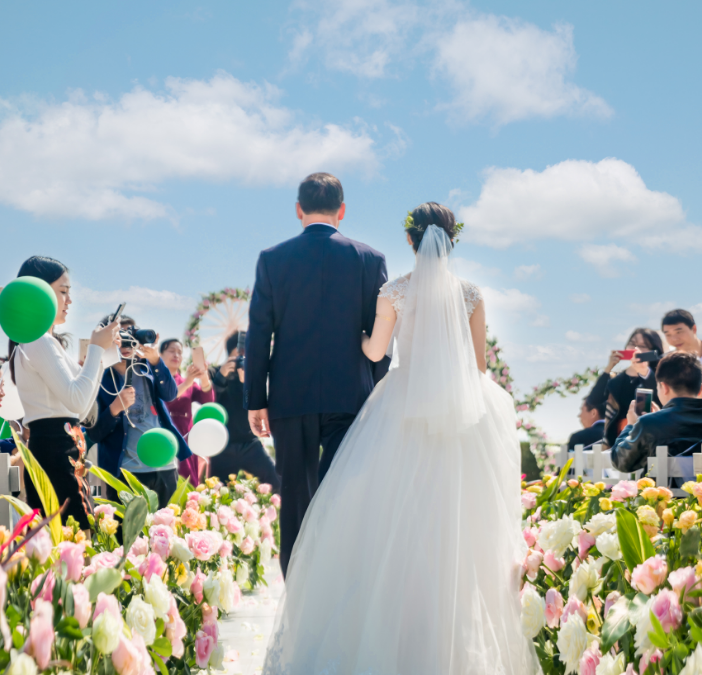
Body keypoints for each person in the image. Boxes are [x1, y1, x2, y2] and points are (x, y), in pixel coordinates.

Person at [263, 206, 538, 675]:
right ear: (453, 242)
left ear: (411, 243)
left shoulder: (395, 292)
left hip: (402, 401)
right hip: (462, 411)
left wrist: (362, 333)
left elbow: (375, 351)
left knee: (388, 520)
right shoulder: (470, 294)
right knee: (454, 524)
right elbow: (478, 367)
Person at [245, 173, 388, 578]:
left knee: (294, 498)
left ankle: (299, 592)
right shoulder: (370, 259)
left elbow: (259, 334)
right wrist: (373, 385)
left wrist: (257, 399)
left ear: (298, 210)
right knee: (346, 494)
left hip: (290, 398)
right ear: (342, 211)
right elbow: (380, 333)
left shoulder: (272, 259)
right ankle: (343, 585)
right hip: (351, 398)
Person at [10, 256, 118, 528]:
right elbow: (78, 401)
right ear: (40, 293)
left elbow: (82, 410)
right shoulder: (37, 339)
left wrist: (100, 356)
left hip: (62, 443)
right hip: (55, 446)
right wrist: (95, 350)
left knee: (69, 537)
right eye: (63, 291)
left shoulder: (43, 341)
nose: (69, 300)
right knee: (74, 536)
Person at [87, 320, 189, 508]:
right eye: (120, 337)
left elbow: (171, 393)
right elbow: (94, 434)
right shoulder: (99, 379)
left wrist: (157, 360)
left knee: (167, 532)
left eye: (130, 336)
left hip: (165, 465)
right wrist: (114, 409)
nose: (126, 343)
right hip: (126, 473)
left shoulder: (148, 368)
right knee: (127, 536)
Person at [611, 351, 702, 473]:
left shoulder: (649, 423)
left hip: (665, 491)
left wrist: (631, 425)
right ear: (701, 389)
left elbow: (621, 463)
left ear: (664, 387)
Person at [209, 333, 280, 490]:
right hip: (221, 445)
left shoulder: (252, 375)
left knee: (275, 479)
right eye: (241, 351)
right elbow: (209, 399)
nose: (244, 355)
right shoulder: (214, 372)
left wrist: (245, 382)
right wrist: (222, 376)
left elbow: (258, 404)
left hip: (249, 443)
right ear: (231, 352)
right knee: (214, 490)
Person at [159, 337, 214, 485]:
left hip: (185, 437)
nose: (176, 355)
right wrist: (188, 382)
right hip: (162, 436)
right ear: (160, 355)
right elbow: (166, 400)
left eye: (179, 352)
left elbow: (207, 401)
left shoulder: (187, 381)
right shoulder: (155, 380)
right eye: (171, 351)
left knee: (187, 481)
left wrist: (204, 378)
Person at [602, 328, 664, 447]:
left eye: (643, 345)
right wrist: (609, 367)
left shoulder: (663, 375)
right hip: (622, 441)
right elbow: (594, 400)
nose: (636, 349)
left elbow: (662, 399)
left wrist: (645, 373)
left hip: (653, 439)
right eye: (633, 344)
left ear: (653, 351)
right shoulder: (617, 380)